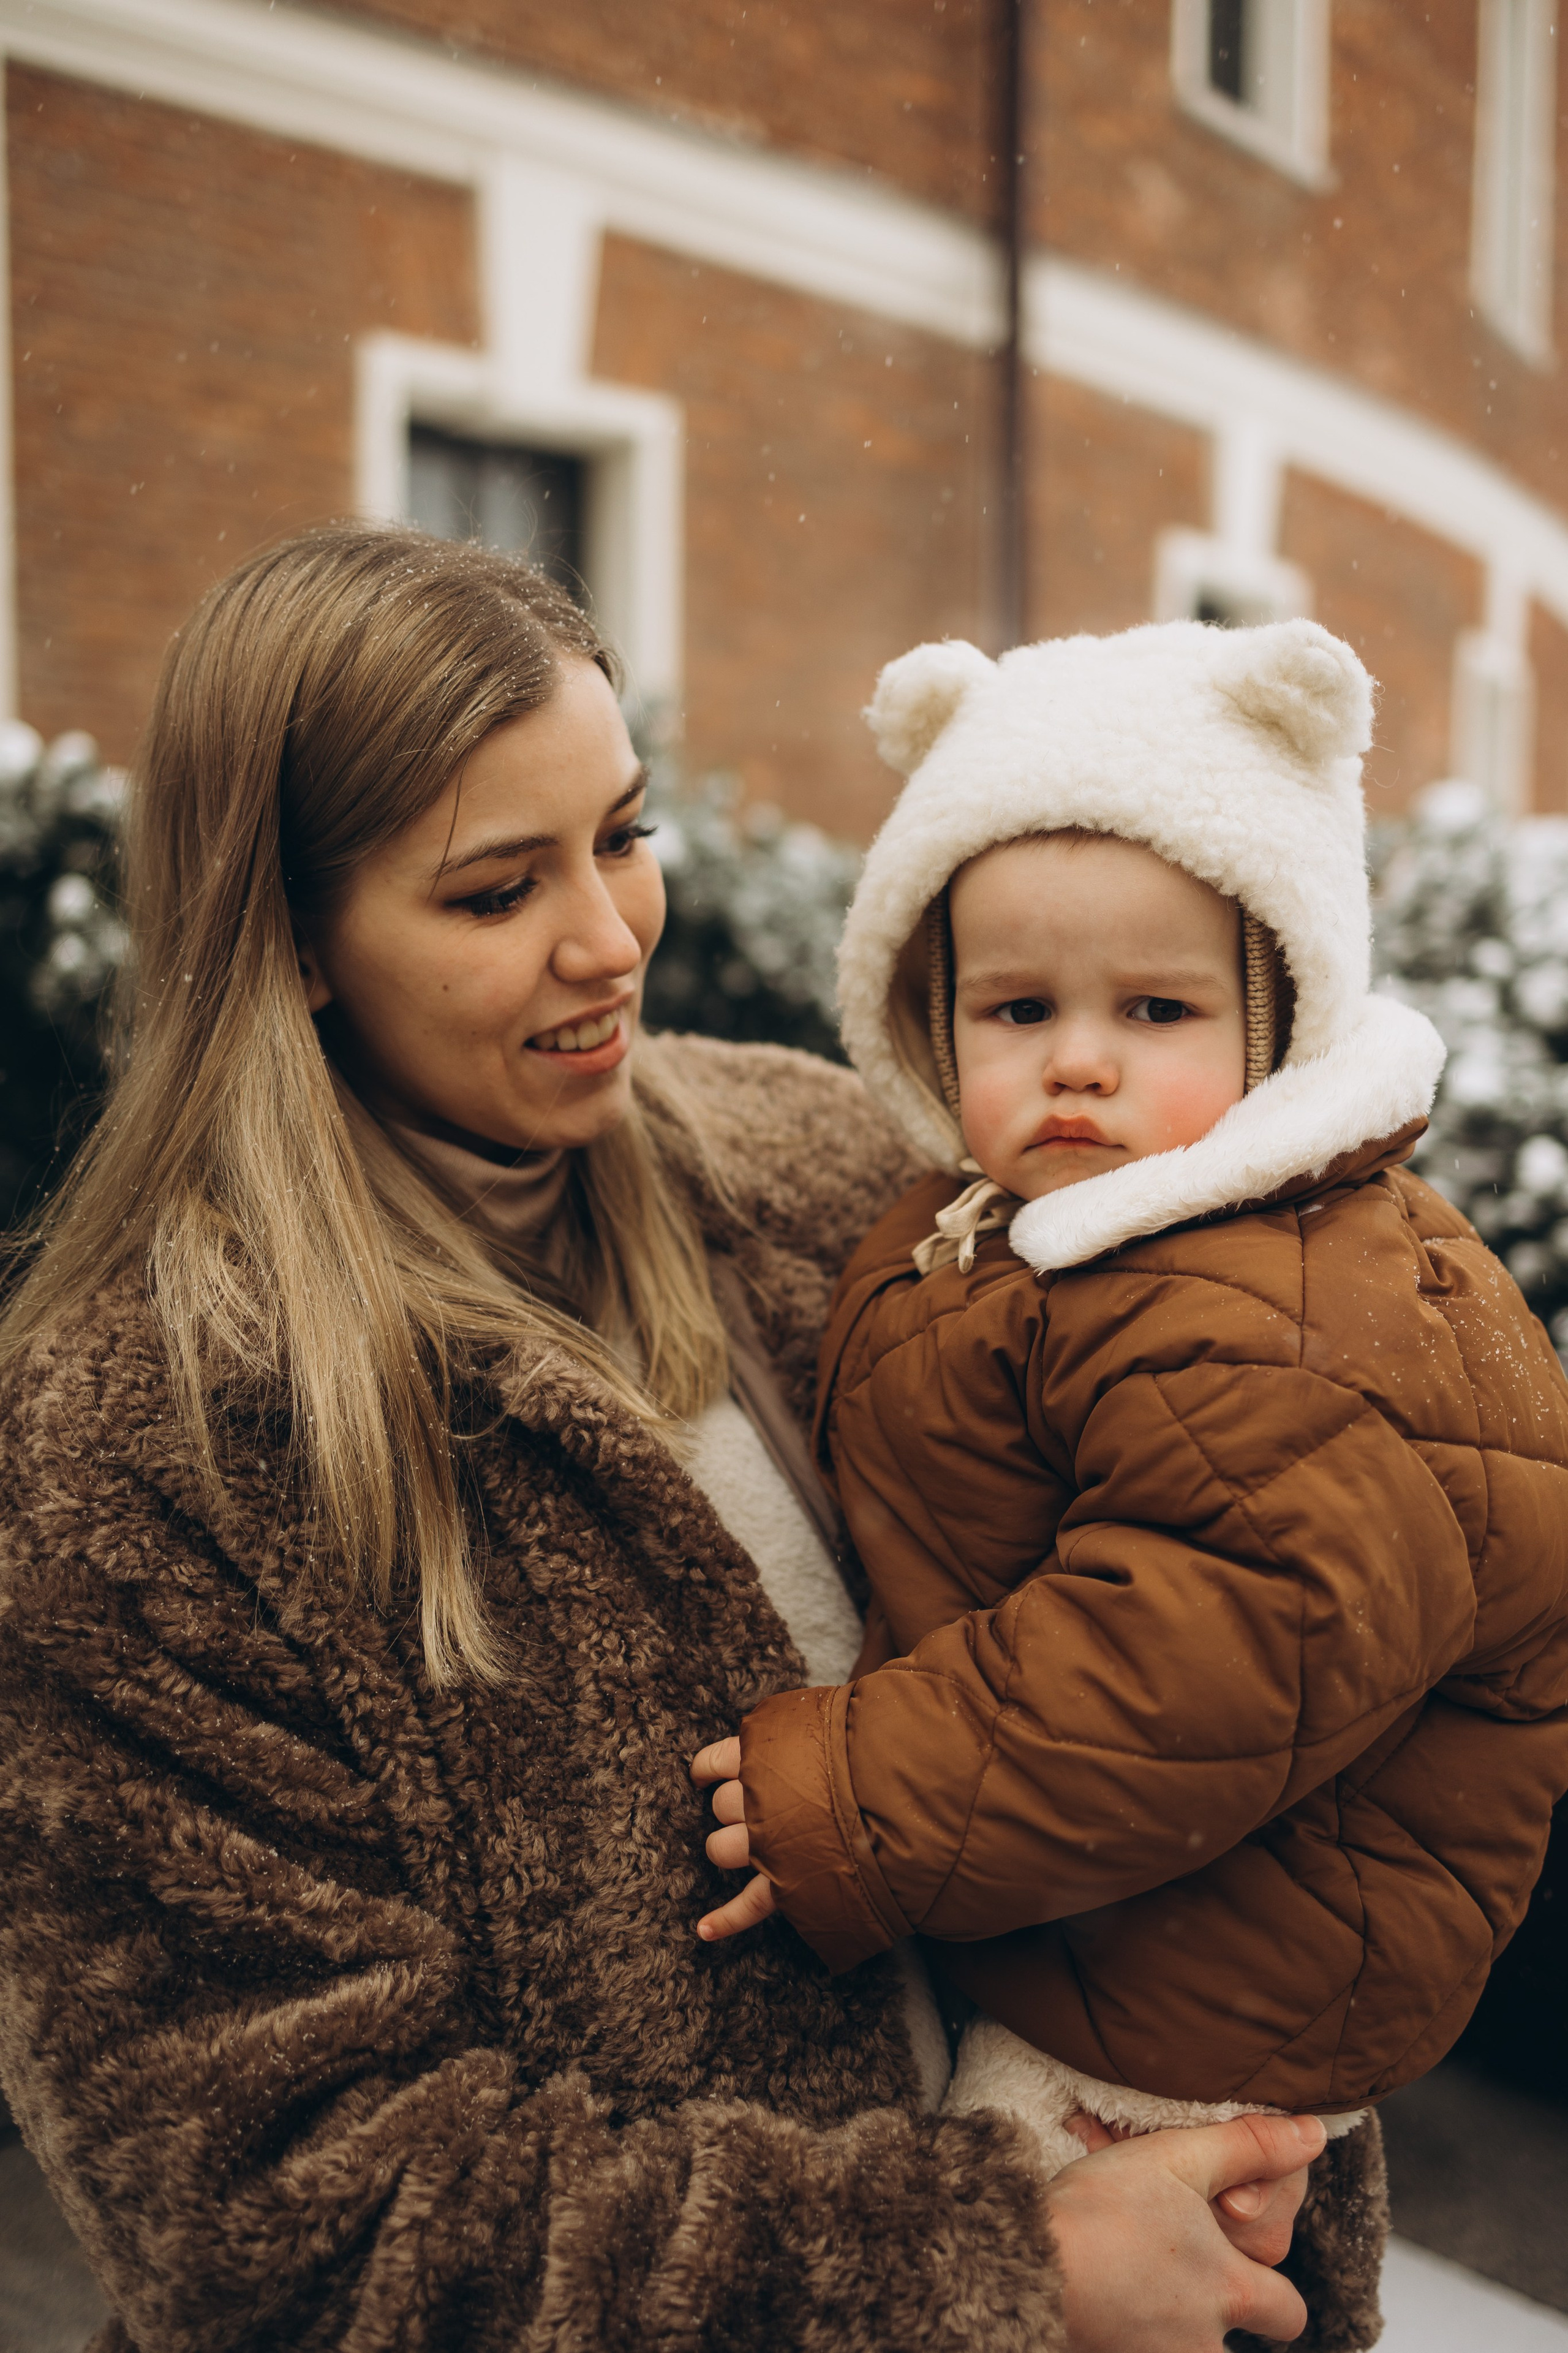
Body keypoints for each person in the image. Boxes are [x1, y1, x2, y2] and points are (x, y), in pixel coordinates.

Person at [0, 528, 1368, 2351]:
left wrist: (1251, 2116)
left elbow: (1228, 1621)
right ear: (296, 940)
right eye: (497, 892)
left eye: (623, 835)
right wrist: (997, 2271)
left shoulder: (829, 1175)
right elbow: (298, 2220)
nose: (611, 935)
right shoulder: (134, 1449)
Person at [693, 619, 1568, 2182]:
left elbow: (1201, 1646)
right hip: (1117, 1897)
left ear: (1272, 1018)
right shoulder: (998, 1231)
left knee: (1018, 2258)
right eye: (1017, 1012)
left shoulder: (1282, 1301)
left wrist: (851, 1796)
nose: (1076, 1065)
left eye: (1153, 1013)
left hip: (1204, 1993)